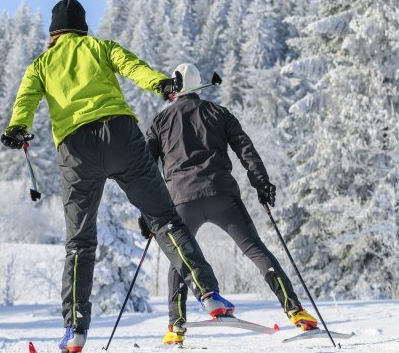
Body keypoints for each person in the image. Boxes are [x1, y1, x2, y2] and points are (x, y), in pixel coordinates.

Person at [1, 0, 235, 353]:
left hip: (76, 151)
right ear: (82, 26)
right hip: (120, 136)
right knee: (164, 220)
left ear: (53, 32)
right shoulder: (99, 47)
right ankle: (208, 293)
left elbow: (26, 99)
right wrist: (162, 85)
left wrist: (18, 128)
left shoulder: (41, 64)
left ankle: (75, 329)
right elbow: (132, 67)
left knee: (80, 242)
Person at [137, 63, 319, 345]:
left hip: (181, 200)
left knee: (179, 259)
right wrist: (261, 183)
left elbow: (145, 168)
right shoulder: (218, 113)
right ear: (199, 88)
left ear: (175, 89)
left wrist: (147, 213)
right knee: (255, 250)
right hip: (222, 196)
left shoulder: (160, 121)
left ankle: (176, 325)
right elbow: (245, 148)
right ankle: (296, 311)